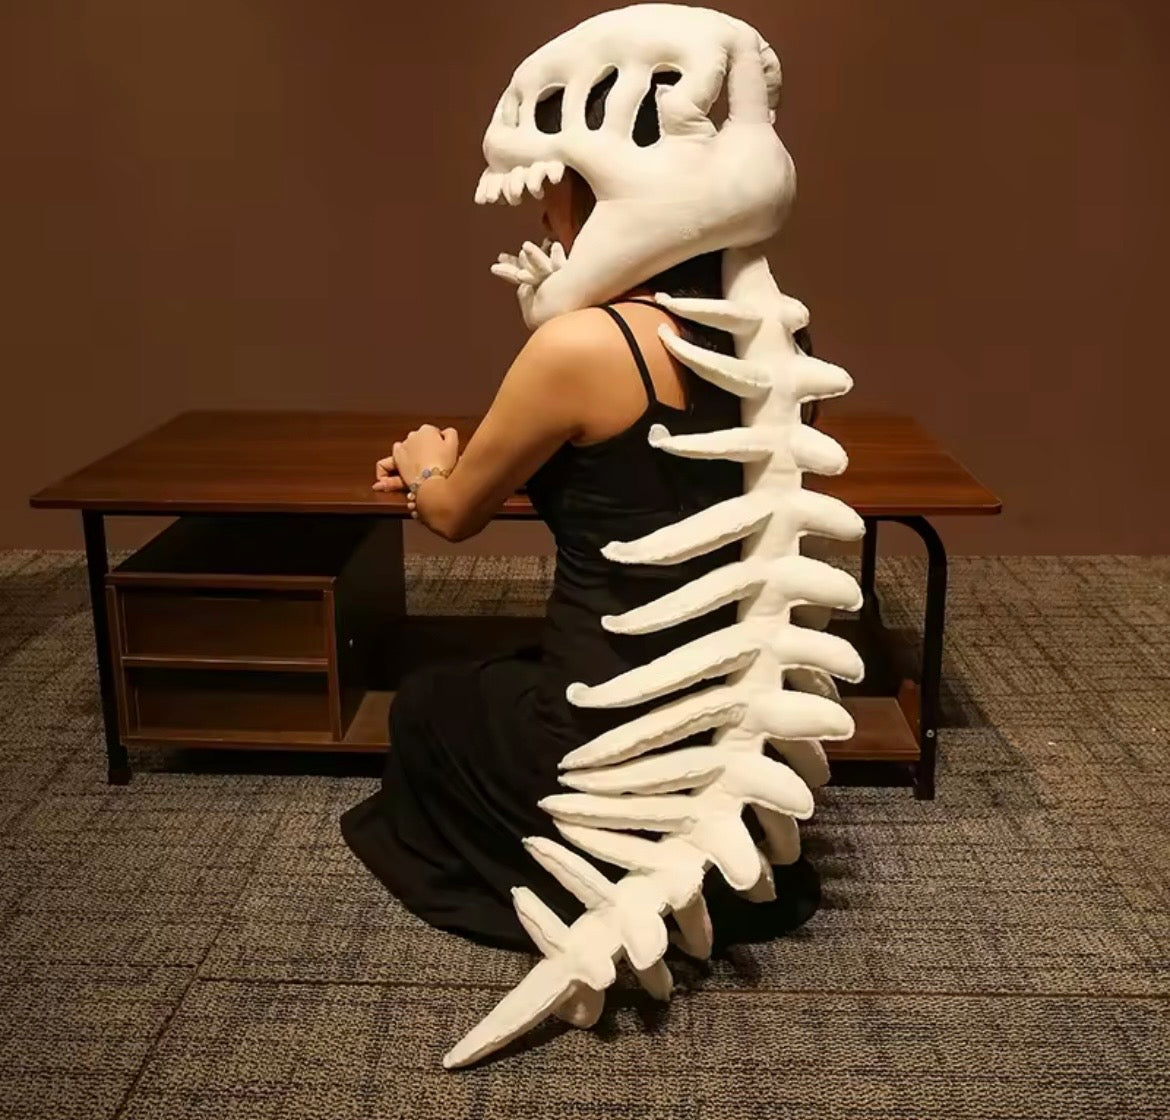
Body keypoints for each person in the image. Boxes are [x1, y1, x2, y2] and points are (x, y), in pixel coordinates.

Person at [339, 83, 821, 956]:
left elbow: (451, 515)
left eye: (560, 192)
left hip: (605, 716)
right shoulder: (780, 342)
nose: (547, 213)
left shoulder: (582, 345)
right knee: (500, 672)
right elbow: (668, 478)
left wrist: (427, 463)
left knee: (430, 703)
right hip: (727, 709)